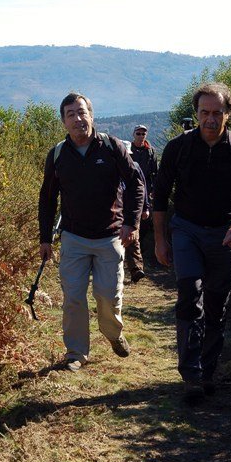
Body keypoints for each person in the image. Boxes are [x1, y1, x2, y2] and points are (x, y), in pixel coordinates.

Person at [153, 82, 231, 401]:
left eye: (217, 113)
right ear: (196, 113)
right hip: (186, 230)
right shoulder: (178, 148)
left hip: (225, 234)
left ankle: (208, 371)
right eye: (204, 112)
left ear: (228, 114)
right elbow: (160, 196)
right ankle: (191, 375)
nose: (210, 119)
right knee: (190, 294)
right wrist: (160, 240)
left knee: (216, 303)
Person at [38, 92, 144, 372]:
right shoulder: (58, 154)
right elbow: (47, 198)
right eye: (70, 114)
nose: (77, 119)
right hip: (73, 237)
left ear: (92, 115)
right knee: (73, 298)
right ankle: (76, 353)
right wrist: (45, 238)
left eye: (82, 112)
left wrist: (131, 223)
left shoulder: (111, 147)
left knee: (107, 296)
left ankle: (113, 333)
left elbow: (136, 184)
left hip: (111, 236)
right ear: (64, 121)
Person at [122, 140, 150, 283]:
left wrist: (145, 207)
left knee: (133, 237)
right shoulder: (111, 166)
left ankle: (136, 269)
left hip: (133, 208)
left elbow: (142, 189)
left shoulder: (136, 166)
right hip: (117, 209)